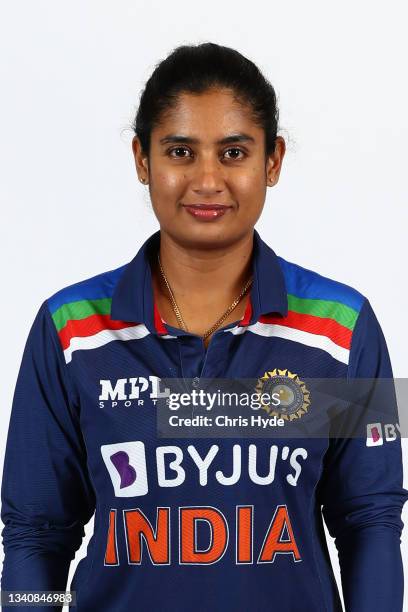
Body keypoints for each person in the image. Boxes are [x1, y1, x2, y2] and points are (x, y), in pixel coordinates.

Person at [1, 42, 407, 612]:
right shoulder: (71, 329)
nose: (208, 180)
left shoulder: (340, 328)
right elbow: (35, 536)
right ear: (143, 160)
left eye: (234, 152)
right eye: (181, 151)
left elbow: (370, 521)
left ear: (273, 161)